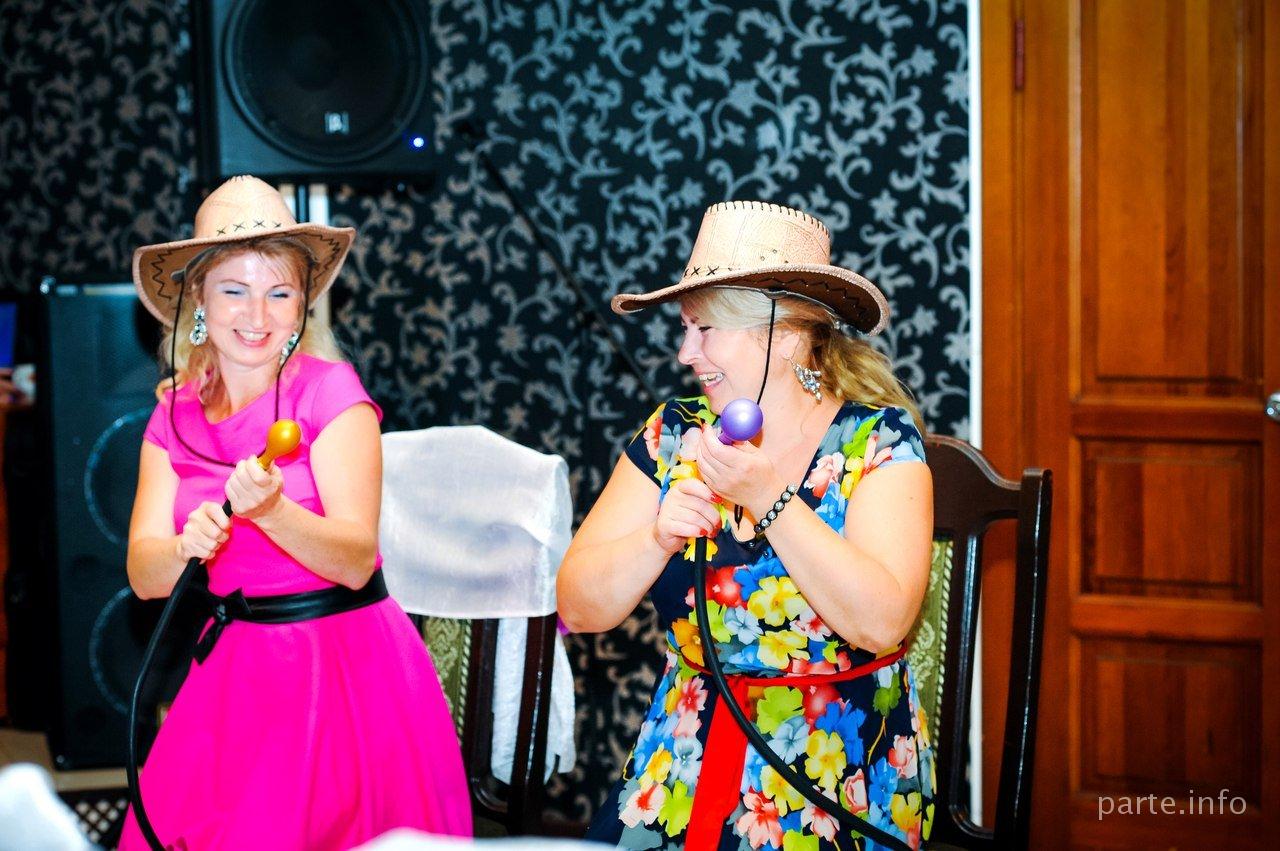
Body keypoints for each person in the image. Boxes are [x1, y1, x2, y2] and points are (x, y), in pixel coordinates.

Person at [559, 201, 936, 850]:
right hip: (682, 758)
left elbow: (881, 623)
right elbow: (576, 607)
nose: (686, 353)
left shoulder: (878, 444)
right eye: (685, 328)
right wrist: (655, 539)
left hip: (838, 770)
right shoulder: (674, 433)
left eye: (705, 329)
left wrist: (768, 497)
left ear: (784, 336)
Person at [119, 175, 472, 849]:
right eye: (234, 290)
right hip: (232, 672)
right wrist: (183, 547)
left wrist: (274, 511)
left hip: (344, 672)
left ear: (303, 303)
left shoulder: (331, 393)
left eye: (279, 292)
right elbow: (143, 574)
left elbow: (355, 559)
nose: (258, 314)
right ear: (199, 297)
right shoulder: (172, 415)